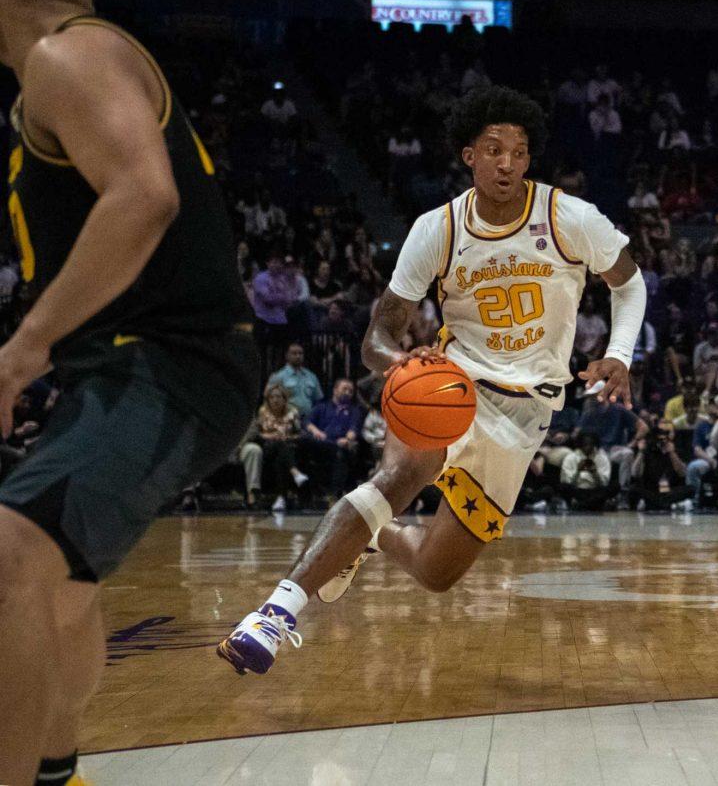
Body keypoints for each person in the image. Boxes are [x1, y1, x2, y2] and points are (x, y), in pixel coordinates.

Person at [220, 85, 646, 675]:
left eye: (519, 152)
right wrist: (402, 367)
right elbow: (376, 335)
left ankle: (372, 536)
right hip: (453, 384)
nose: (507, 162)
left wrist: (619, 354)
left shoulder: (569, 218)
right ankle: (273, 614)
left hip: (527, 413)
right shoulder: (437, 229)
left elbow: (629, 283)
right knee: (400, 473)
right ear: (468, 154)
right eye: (493, 149)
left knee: (436, 572)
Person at [0, 0, 259, 782]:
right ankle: (58, 770)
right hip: (149, 369)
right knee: (59, 586)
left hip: (170, 364)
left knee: (7, 558)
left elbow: (145, 195)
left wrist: (21, 347)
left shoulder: (67, 53)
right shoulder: (80, 56)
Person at [240, 383, 308, 511]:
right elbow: (256, 434)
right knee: (280, 447)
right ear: (268, 399)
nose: (275, 400)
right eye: (272, 397)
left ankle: (281, 499)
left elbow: (300, 434)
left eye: (278, 397)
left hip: (286, 448)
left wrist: (287, 437)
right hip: (266, 447)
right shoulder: (262, 412)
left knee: (281, 459)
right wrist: (270, 436)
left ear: (284, 399)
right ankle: (295, 472)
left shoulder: (292, 412)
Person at [299, 378, 364, 497]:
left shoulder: (354, 410)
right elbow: (307, 421)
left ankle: (333, 494)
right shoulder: (322, 406)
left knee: (342, 451)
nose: (348, 392)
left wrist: (348, 439)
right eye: (345, 389)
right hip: (320, 443)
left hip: (339, 443)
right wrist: (316, 431)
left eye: (350, 391)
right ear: (335, 390)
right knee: (302, 441)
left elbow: (354, 428)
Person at [630, 419, 691, 511]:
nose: (663, 437)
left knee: (691, 489)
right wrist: (641, 452)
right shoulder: (648, 449)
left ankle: (657, 504)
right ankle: (665, 504)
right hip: (652, 490)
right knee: (633, 490)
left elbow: (682, 473)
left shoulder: (676, 448)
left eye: (667, 432)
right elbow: (635, 473)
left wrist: (672, 453)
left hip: (670, 489)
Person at [559, 432, 614, 511]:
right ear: (580, 444)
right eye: (585, 444)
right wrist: (578, 471)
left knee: (614, 486)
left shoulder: (602, 458)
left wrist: (595, 473)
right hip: (577, 490)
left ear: (595, 444)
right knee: (563, 487)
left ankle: (580, 505)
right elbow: (567, 481)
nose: (588, 447)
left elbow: (604, 483)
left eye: (591, 444)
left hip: (594, 490)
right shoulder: (570, 457)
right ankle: (592, 504)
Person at [267, 343, 323, 416]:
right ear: (287, 356)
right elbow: (269, 401)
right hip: (286, 421)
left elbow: (318, 400)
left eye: (300, 353)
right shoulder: (278, 377)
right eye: (294, 353)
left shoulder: (311, 376)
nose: (298, 356)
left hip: (308, 420)